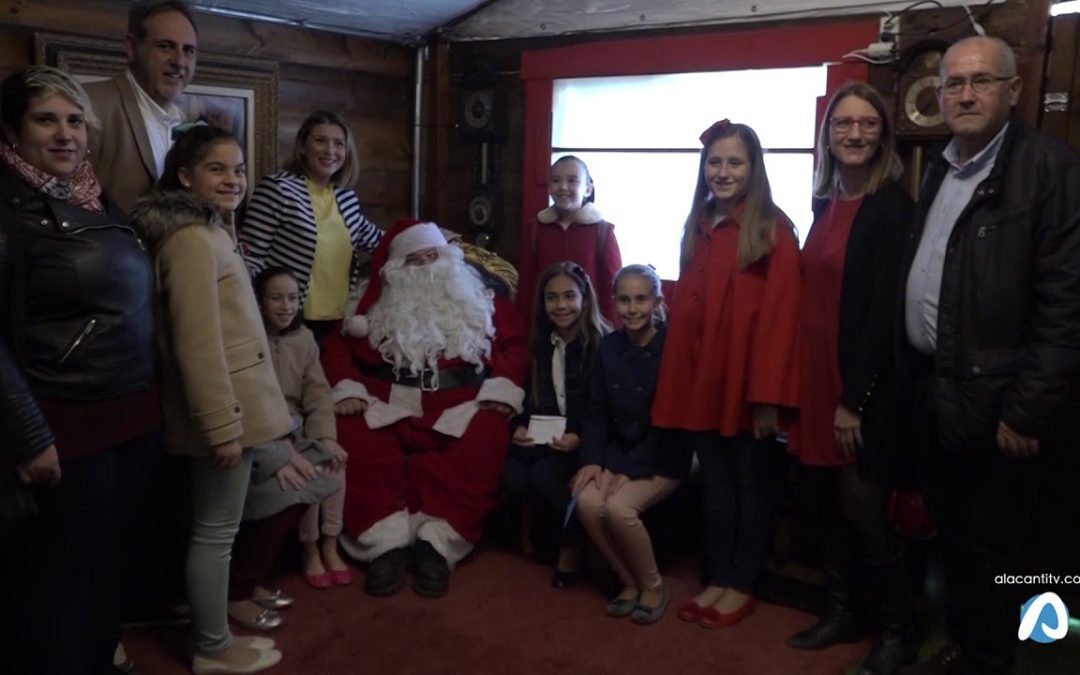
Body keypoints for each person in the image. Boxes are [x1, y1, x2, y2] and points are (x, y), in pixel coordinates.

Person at [897, 36, 1080, 675]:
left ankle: (1003, 660)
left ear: (1014, 90)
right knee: (956, 539)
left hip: (1001, 407)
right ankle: (971, 648)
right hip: (938, 392)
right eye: (954, 83)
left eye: (982, 81)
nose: (966, 94)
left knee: (1005, 552)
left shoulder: (1049, 170)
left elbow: (1067, 303)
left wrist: (1028, 411)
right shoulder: (943, 166)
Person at [0, 65, 159, 675]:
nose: (65, 135)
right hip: (64, 428)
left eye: (74, 120)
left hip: (128, 420)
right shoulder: (9, 210)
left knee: (108, 569)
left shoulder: (95, 196)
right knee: (55, 583)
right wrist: (29, 432)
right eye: (46, 119)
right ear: (13, 130)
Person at [134, 124, 290, 674]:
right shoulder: (192, 240)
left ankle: (212, 634)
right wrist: (222, 424)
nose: (233, 180)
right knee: (215, 531)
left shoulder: (213, 231)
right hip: (225, 414)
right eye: (217, 169)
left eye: (240, 169)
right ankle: (212, 648)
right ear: (185, 176)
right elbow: (197, 344)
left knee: (216, 527)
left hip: (235, 409)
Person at [322, 218, 527, 598]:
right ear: (397, 268)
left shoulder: (481, 298)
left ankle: (437, 543)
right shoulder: (367, 306)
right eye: (416, 260)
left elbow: (515, 344)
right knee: (352, 435)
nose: (428, 265)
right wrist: (347, 388)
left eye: (434, 255)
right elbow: (336, 347)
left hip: (461, 402)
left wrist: (501, 389)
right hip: (383, 400)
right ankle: (385, 544)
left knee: (485, 435)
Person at [786, 83, 915, 675]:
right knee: (829, 509)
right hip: (815, 381)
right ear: (828, 134)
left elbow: (884, 314)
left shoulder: (891, 207)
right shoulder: (824, 200)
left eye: (867, 124)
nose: (855, 134)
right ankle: (844, 612)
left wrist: (854, 401)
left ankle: (897, 631)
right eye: (843, 124)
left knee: (865, 512)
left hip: (859, 388)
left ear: (883, 134)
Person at [652, 120, 800, 629]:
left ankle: (742, 583)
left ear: (753, 169)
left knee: (750, 486)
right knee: (714, 487)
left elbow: (781, 321)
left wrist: (767, 399)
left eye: (734, 162)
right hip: (701, 384)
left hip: (746, 386)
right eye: (715, 162)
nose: (723, 172)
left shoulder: (772, 230)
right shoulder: (697, 224)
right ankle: (716, 577)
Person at [573, 264, 690, 625]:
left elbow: (670, 424)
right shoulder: (608, 346)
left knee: (619, 510)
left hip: (664, 454)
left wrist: (628, 468)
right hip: (617, 451)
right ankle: (628, 582)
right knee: (588, 501)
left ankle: (653, 586)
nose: (632, 308)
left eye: (641, 299)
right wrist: (593, 460)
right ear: (614, 302)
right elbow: (596, 411)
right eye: (624, 300)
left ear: (657, 301)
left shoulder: (673, 349)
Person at [500, 261, 607, 588]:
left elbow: (600, 408)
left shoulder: (601, 344)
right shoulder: (539, 343)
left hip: (583, 439)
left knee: (545, 477)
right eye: (551, 298)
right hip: (544, 434)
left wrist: (578, 438)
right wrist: (518, 425)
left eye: (569, 296)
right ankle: (541, 536)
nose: (560, 305)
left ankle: (572, 546)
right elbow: (526, 394)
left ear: (585, 299)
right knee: (512, 477)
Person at [240, 110, 383, 344]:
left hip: (339, 322)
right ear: (303, 147)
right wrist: (249, 312)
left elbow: (379, 240)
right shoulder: (278, 189)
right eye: (320, 141)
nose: (330, 151)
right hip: (289, 319)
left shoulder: (346, 198)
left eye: (339, 144)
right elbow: (250, 255)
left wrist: (431, 236)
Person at [253, 266, 352, 589]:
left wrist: (325, 436)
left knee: (334, 462)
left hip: (299, 424)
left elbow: (318, 393)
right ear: (260, 301)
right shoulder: (251, 339)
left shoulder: (304, 338)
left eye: (293, 298)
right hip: (267, 427)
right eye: (276, 298)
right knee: (308, 471)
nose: (286, 306)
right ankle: (309, 549)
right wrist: (283, 446)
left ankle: (330, 544)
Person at [86, 0, 198, 212]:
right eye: (165, 46)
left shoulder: (187, 122)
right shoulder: (89, 106)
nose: (180, 61)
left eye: (189, 50)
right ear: (131, 47)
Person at [517, 155, 622, 323]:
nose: (563, 187)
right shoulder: (535, 230)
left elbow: (612, 290)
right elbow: (526, 290)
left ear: (588, 189)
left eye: (572, 181)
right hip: (546, 326)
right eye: (556, 181)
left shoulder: (603, 231)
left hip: (590, 329)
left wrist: (609, 335)